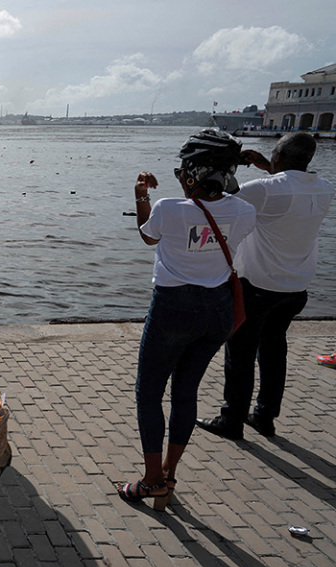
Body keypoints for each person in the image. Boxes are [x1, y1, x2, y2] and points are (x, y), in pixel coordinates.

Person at [116, 129, 256, 509]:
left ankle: (151, 481)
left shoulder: (168, 209)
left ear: (193, 173)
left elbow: (148, 236)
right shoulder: (245, 211)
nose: (180, 176)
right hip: (218, 311)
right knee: (185, 393)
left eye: (182, 170)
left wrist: (141, 195)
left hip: (173, 308)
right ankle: (170, 474)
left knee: (149, 393)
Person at [197, 132, 334, 440]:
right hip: (296, 287)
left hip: (259, 286)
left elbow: (217, 198)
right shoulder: (324, 188)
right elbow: (290, 185)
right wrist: (269, 167)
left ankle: (231, 420)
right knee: (273, 350)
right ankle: (264, 416)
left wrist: (227, 165)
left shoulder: (264, 189)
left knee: (240, 353)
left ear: (278, 156)